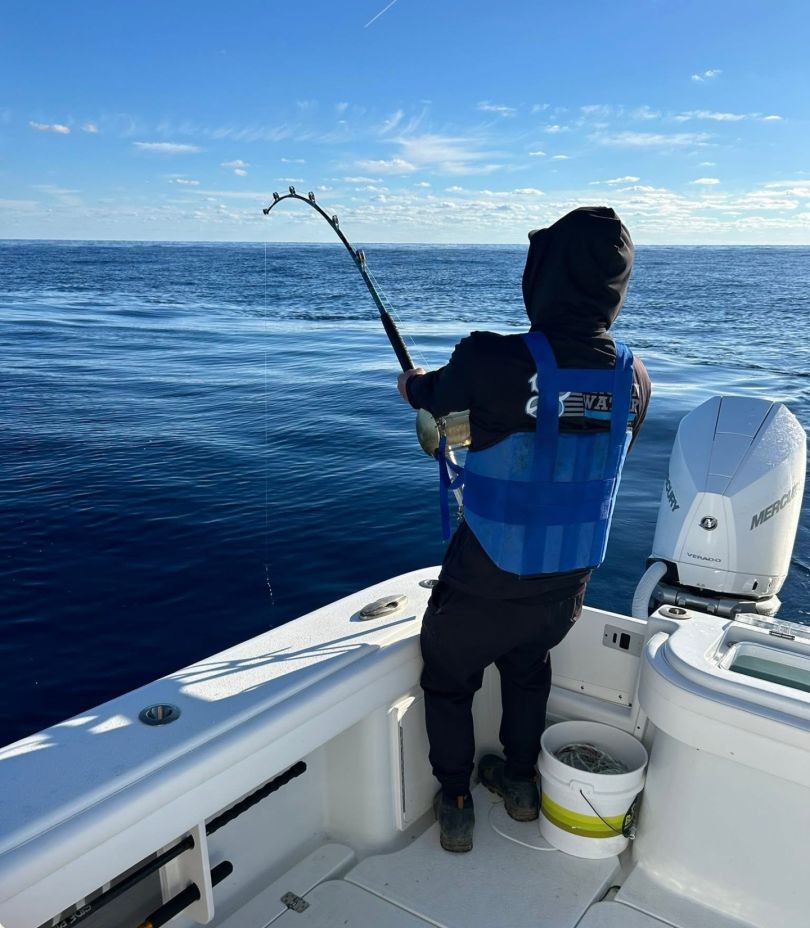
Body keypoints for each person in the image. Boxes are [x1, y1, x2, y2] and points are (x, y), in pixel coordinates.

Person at [396, 206, 651, 853]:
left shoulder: (490, 359)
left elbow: (430, 399)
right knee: (528, 667)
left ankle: (456, 801)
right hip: (564, 589)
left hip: (484, 579)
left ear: (544, 275)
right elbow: (575, 434)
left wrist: (413, 385)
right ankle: (519, 784)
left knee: (448, 679)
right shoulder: (634, 378)